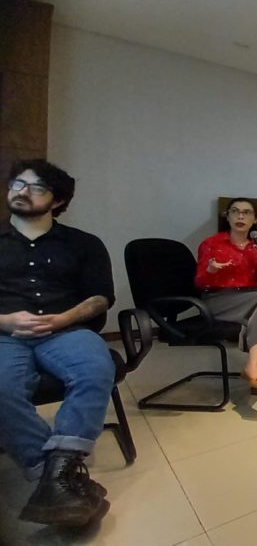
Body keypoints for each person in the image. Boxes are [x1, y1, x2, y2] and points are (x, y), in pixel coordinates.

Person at [0, 160, 115, 527]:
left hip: (66, 331)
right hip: (4, 334)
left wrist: (64, 318)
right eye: (17, 184)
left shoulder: (84, 243)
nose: (21, 191)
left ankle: (57, 477)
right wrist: (6, 321)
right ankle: (58, 479)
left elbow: (100, 297)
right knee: (2, 387)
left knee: (96, 368)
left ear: (58, 200)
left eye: (36, 187)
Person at [195, 198, 257, 397]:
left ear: (254, 219)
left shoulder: (256, 245)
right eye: (235, 211)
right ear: (227, 216)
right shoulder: (211, 244)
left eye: (246, 212)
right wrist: (211, 271)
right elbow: (199, 283)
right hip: (218, 299)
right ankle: (254, 371)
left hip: (249, 297)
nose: (240, 216)